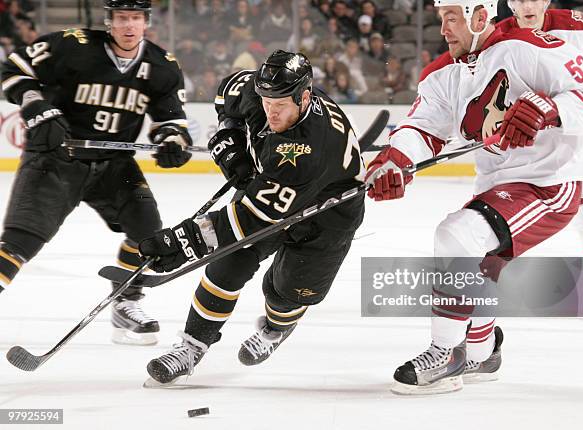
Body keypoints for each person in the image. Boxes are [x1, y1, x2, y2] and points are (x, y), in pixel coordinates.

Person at [364, 0, 583, 394]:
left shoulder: (534, 47)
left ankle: (446, 352)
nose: (444, 29)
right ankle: (482, 350)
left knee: (456, 236)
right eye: (440, 19)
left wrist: (550, 107)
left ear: (480, 17)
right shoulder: (442, 73)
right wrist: (394, 160)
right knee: (476, 265)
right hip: (497, 186)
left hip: (551, 181)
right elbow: (422, 128)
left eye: (452, 19)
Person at [137, 50, 366, 386]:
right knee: (228, 264)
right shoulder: (264, 94)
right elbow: (229, 89)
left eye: (280, 105)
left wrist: (182, 241)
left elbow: (249, 220)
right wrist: (229, 134)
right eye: (265, 102)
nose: (270, 112)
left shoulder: (311, 148)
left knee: (286, 292)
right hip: (272, 191)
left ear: (305, 98)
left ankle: (276, 327)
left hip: (326, 216)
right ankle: (191, 346)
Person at [0, 0, 193, 345]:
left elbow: (171, 120)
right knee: (19, 242)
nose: (129, 26)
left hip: (113, 165)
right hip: (56, 158)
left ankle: (126, 301)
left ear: (147, 22)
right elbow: (13, 68)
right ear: (108, 21)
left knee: (148, 234)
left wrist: (172, 140)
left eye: (136, 18)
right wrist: (33, 101)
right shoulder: (72, 45)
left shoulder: (162, 65)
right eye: (121, 18)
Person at [497, 1, 583, 311]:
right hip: (523, 139)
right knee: (497, 212)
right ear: (510, 3)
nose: (527, 4)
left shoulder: (575, 26)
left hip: (568, 127)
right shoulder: (497, 36)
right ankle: (482, 279)